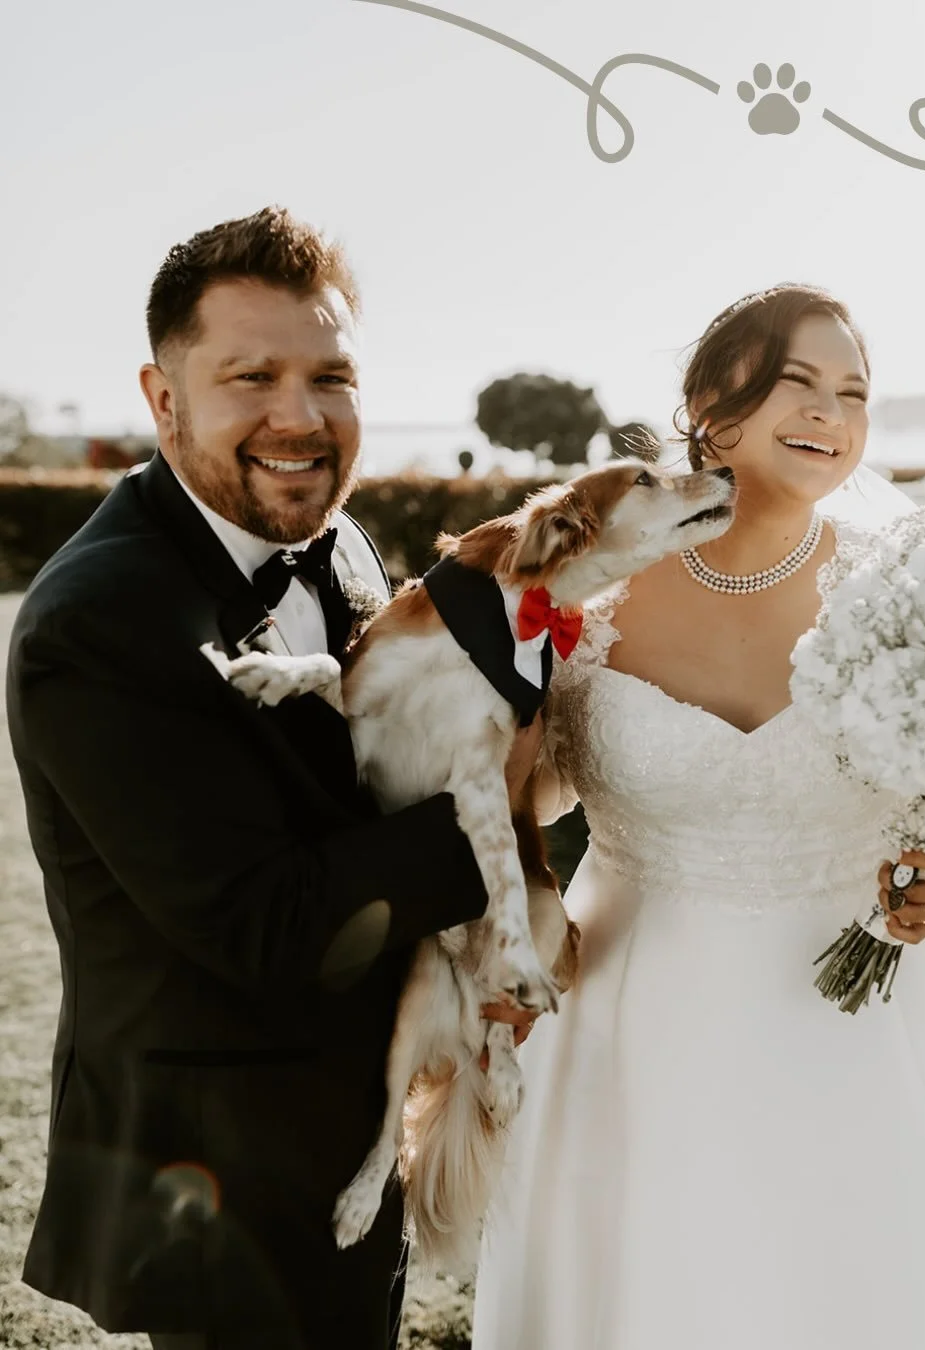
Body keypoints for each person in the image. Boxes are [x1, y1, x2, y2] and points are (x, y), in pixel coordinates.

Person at [471, 284, 925, 1349]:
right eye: (799, 383)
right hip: (639, 1030)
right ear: (711, 403)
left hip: (879, 1038)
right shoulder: (586, 588)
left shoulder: (908, 587)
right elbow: (535, 793)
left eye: (854, 394)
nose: (830, 415)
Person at [6, 205, 537, 1350]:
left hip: (355, 1130)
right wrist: (517, 800)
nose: (300, 418)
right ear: (163, 398)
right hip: (220, 1180)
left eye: (330, 377)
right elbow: (263, 921)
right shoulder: (94, 622)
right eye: (252, 377)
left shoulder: (338, 542)